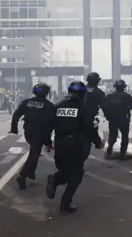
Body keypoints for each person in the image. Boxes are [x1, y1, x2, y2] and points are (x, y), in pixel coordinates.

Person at [44, 81, 104, 213]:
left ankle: (55, 179)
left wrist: (48, 142)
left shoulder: (57, 106)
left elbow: (47, 126)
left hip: (59, 144)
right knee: (77, 175)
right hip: (74, 145)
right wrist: (98, 142)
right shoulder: (82, 108)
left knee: (67, 171)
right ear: (82, 94)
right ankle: (65, 203)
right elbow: (89, 128)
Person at [10, 83, 56, 189]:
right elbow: (50, 125)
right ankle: (23, 175)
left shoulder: (27, 102)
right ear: (47, 93)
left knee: (34, 152)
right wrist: (48, 142)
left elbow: (16, 114)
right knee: (33, 155)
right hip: (39, 133)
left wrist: (14, 128)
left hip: (28, 132)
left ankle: (30, 172)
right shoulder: (49, 106)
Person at [102, 79, 132, 160]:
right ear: (124, 87)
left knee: (112, 135)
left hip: (112, 119)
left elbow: (104, 107)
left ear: (115, 87)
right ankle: (122, 155)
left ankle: (110, 146)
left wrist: (108, 116)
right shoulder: (127, 96)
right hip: (124, 120)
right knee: (124, 137)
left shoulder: (109, 96)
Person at [83, 72, 106, 161]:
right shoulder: (99, 93)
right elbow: (104, 107)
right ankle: (98, 143)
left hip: (75, 116)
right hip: (90, 118)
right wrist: (108, 116)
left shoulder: (81, 89)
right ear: (97, 81)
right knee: (92, 133)